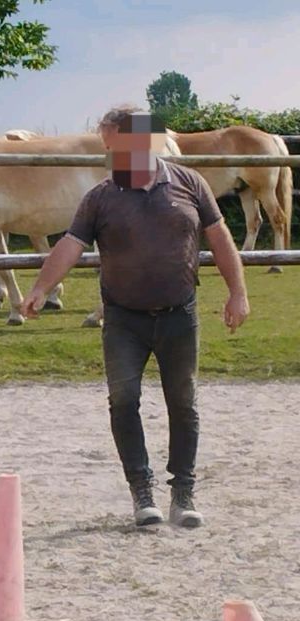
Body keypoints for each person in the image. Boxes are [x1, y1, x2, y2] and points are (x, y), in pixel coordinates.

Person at [19, 106, 250, 528]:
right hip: (124, 319)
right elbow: (71, 245)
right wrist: (41, 287)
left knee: (183, 402)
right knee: (124, 402)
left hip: (179, 314)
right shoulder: (101, 197)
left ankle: (183, 491)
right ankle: (142, 491)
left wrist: (238, 292)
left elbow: (220, 238)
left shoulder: (189, 183)